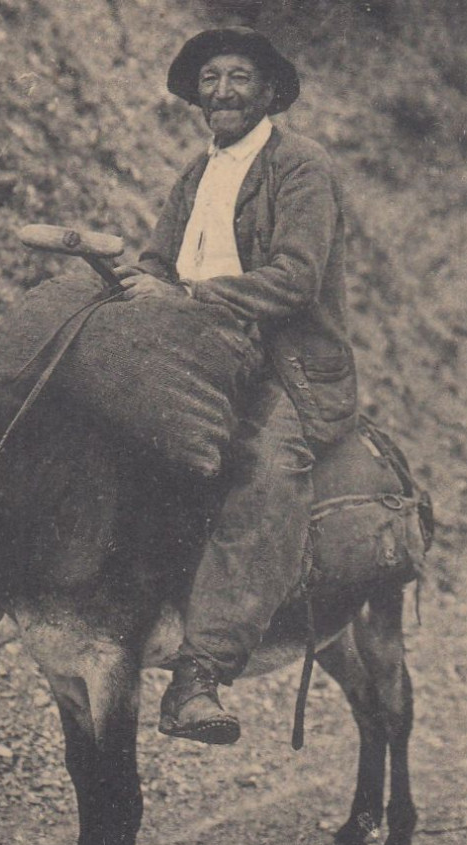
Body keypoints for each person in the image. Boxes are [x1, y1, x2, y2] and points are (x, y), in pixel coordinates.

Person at [116, 23, 357, 744]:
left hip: (287, 364)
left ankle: (202, 672)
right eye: (210, 78)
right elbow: (160, 263)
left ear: (268, 92)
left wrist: (194, 298)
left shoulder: (300, 165)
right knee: (101, 421)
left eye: (238, 78)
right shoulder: (196, 172)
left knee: (263, 473)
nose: (221, 90)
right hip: (199, 347)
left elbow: (294, 276)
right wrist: (136, 285)